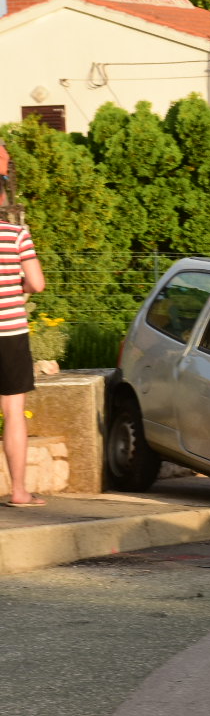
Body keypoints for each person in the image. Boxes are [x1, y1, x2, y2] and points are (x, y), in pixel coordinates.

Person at [0, 143, 46, 507]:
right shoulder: (15, 235)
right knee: (14, 411)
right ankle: (18, 491)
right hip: (10, 333)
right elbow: (37, 282)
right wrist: (19, 286)